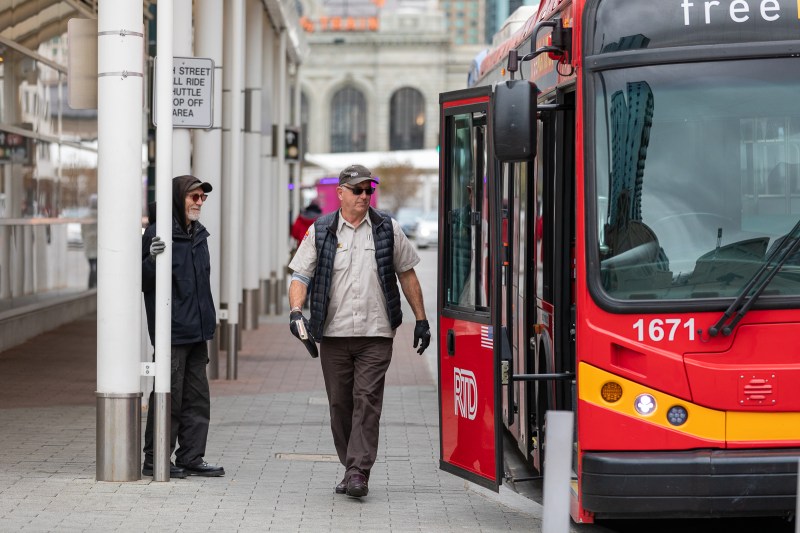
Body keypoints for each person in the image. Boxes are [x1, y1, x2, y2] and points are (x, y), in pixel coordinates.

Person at [287, 164, 431, 499]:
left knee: (366, 401)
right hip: (334, 335)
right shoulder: (320, 230)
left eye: (369, 190)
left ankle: (358, 472)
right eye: (357, 190)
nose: (364, 196)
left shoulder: (387, 228)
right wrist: (296, 312)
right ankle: (350, 466)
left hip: (376, 334)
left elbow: (407, 274)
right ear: (341, 193)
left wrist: (421, 319)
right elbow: (300, 275)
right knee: (340, 404)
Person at [141, 175, 224, 479]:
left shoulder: (198, 235)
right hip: (172, 333)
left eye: (203, 198)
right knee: (169, 396)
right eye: (194, 197)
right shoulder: (158, 233)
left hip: (197, 332)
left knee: (197, 399)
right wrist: (150, 259)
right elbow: (140, 280)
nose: (199, 202)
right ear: (179, 198)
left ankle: (191, 457)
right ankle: (155, 460)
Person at [82, 194, 98, 289]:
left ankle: (91, 285)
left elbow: (82, 232)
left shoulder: (86, 217)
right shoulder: (102, 216)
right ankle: (95, 285)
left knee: (92, 266)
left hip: (89, 246)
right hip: (97, 246)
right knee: (97, 267)